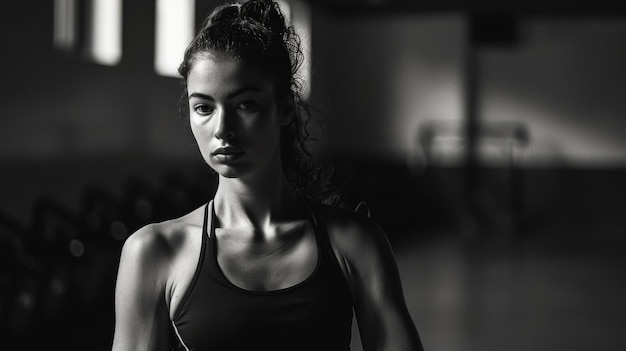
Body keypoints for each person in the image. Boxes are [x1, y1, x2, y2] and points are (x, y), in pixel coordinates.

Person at [111, 1, 423, 350]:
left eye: (245, 104)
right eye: (204, 108)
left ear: (286, 109)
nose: (222, 129)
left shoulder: (354, 243)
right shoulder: (153, 253)